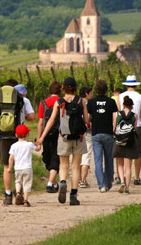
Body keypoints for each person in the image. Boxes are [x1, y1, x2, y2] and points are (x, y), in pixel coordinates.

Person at [37, 77, 89, 205]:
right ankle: (73, 195)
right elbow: (87, 120)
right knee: (76, 166)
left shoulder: (59, 102)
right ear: (76, 87)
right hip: (78, 138)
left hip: (64, 137)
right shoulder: (80, 101)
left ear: (63, 88)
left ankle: (63, 182)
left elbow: (51, 120)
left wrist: (42, 137)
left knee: (64, 165)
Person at [0, 79, 35, 205]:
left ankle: (8, 195)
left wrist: (1, 121)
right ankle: (20, 193)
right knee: (22, 165)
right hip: (19, 135)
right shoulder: (24, 100)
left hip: (4, 136)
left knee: (6, 166)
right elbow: (32, 117)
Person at [87, 79, 118, 193]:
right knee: (109, 159)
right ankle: (109, 182)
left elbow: (88, 118)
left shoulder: (91, 102)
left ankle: (101, 186)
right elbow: (115, 117)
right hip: (108, 133)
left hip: (96, 133)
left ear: (95, 90)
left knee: (98, 160)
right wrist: (114, 128)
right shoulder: (111, 102)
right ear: (106, 89)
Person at [119, 75, 141, 186]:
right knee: (138, 152)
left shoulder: (120, 96)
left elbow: (118, 111)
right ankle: (136, 177)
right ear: (135, 85)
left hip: (123, 126)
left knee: (123, 152)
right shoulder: (140, 96)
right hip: (137, 126)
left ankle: (123, 176)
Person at [37, 81, 62, 193]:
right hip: (59, 133)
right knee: (56, 157)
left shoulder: (43, 103)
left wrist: (39, 137)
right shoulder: (62, 102)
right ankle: (52, 183)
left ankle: (51, 182)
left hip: (46, 134)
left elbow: (41, 122)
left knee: (48, 157)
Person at [8, 124, 40, 207]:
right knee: (27, 184)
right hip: (27, 168)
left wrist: (9, 167)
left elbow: (11, 158)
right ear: (27, 135)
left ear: (16, 135)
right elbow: (37, 149)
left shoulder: (13, 146)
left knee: (18, 182)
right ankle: (25, 201)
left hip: (18, 168)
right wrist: (38, 144)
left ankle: (18, 193)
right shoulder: (29, 144)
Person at [113, 96, 139, 194]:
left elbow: (114, 127)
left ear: (123, 105)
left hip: (119, 141)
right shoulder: (135, 115)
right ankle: (127, 188)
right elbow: (135, 128)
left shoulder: (117, 114)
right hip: (130, 142)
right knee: (128, 166)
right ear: (132, 106)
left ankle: (122, 182)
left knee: (120, 164)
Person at [79, 86, 93, 188]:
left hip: (76, 133)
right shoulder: (88, 104)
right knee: (86, 156)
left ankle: (78, 178)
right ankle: (83, 180)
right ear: (87, 94)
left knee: (78, 156)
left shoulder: (76, 102)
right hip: (87, 132)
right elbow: (87, 119)